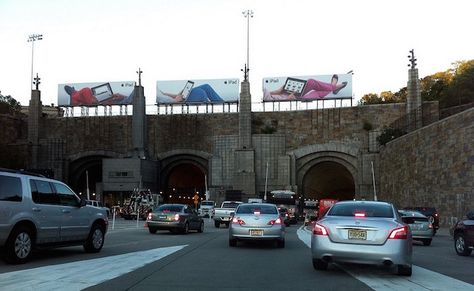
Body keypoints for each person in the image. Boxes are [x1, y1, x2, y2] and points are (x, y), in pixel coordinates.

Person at [265, 74, 348, 101]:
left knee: (311, 81)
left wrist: (280, 90)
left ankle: (333, 87)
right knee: (315, 94)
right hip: (292, 97)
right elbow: (268, 98)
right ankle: (334, 86)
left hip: (287, 93)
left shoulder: (264, 90)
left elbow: (270, 93)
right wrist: (287, 99)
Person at [64, 85, 128, 106]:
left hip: (115, 100)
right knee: (128, 99)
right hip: (116, 101)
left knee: (127, 99)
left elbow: (93, 102)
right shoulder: (85, 90)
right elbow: (92, 102)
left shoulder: (74, 98)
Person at [160, 84, 224, 103]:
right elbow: (164, 100)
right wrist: (176, 99)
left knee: (206, 86)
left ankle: (220, 101)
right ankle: (209, 102)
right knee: (201, 92)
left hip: (179, 98)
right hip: (179, 100)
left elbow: (164, 96)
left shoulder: (157, 92)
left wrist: (178, 95)